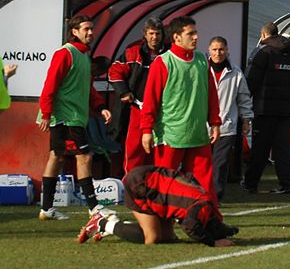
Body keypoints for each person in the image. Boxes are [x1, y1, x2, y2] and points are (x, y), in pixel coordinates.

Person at [140, 16, 222, 217]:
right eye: (190, 34)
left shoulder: (202, 60)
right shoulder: (163, 62)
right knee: (164, 182)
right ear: (176, 37)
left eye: (196, 32)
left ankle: (210, 219)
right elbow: (151, 99)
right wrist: (146, 130)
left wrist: (215, 122)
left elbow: (211, 92)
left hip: (197, 134)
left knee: (204, 182)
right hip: (170, 134)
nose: (196, 37)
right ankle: (158, 221)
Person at [37, 15, 112, 220]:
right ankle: (94, 207)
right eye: (86, 29)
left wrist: (101, 106)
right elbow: (50, 84)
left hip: (73, 116)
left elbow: (86, 88)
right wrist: (46, 112)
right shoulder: (65, 53)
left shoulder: (84, 56)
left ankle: (46, 209)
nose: (90, 32)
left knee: (56, 156)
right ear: (74, 32)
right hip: (65, 116)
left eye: (91, 29)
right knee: (84, 156)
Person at [77, 165, 238, 247]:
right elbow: (191, 227)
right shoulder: (200, 207)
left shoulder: (203, 202)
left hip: (157, 186)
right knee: (152, 238)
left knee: (167, 238)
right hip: (140, 186)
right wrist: (213, 242)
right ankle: (103, 223)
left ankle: (112, 224)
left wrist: (225, 232)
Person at [242, 22, 290, 194]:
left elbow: (250, 81)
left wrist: (247, 103)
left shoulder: (263, 52)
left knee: (260, 147)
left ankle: (251, 183)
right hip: (285, 109)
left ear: (263, 35)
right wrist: (288, 100)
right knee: (283, 148)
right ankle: (287, 183)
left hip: (264, 108)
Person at [108, 17, 167, 174]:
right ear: (145, 34)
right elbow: (114, 72)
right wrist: (124, 92)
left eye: (158, 33)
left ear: (163, 34)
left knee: (161, 150)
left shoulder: (170, 54)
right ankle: (132, 186)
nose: (155, 37)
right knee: (135, 149)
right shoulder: (133, 52)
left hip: (165, 111)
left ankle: (157, 186)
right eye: (151, 33)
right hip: (138, 108)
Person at [208, 36, 253, 201]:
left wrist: (247, 119)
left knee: (220, 164)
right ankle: (200, 196)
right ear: (209, 50)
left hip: (226, 126)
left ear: (227, 51)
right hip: (202, 126)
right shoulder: (200, 69)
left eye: (221, 49)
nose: (218, 53)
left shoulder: (235, 72)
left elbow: (243, 98)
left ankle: (215, 197)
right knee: (202, 164)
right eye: (214, 49)